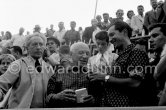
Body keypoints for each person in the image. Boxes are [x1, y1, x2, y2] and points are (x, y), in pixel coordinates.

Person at [89, 21, 153, 106]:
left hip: (126, 105)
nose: (110, 40)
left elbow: (135, 82)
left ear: (124, 32)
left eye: (112, 34)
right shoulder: (121, 56)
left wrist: (105, 77)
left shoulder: (136, 52)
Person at [0, 33, 54, 108]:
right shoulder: (18, 65)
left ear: (45, 47)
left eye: (41, 44)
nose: (38, 47)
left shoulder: (49, 68)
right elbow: (2, 84)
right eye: (34, 44)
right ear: (27, 48)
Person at [46, 42, 94, 107]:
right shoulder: (59, 74)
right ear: (71, 54)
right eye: (81, 53)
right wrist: (57, 96)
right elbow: (47, 97)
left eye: (87, 53)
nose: (85, 56)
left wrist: (92, 100)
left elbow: (100, 97)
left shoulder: (92, 75)